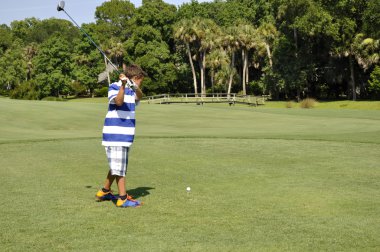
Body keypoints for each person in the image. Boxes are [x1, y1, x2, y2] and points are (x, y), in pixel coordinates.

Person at [95, 64, 147, 207]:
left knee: (117, 165)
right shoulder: (114, 87)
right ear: (136, 77)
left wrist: (133, 86)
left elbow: (140, 96)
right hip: (116, 134)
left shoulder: (133, 90)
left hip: (125, 136)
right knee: (120, 168)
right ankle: (122, 198)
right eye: (140, 80)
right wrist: (123, 86)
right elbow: (118, 102)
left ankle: (105, 191)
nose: (140, 83)